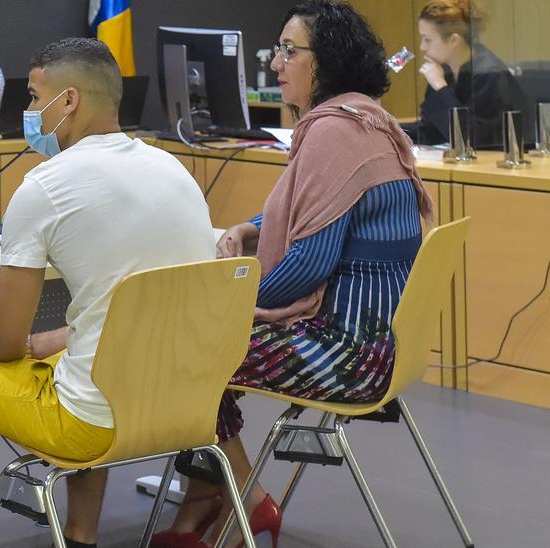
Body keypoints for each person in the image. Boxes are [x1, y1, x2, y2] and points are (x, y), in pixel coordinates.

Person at [0, 38, 217, 548]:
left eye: (33, 96)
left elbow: (1, 345)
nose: (26, 110)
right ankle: (81, 535)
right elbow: (132, 308)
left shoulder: (46, 186)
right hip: (185, 411)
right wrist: (53, 340)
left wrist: (32, 344)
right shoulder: (175, 169)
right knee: (75, 352)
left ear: (68, 102)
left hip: (91, 424)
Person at [152, 2, 434, 547]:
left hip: (345, 354)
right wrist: (254, 228)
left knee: (181, 354)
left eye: (288, 50)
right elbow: (320, 208)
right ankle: (211, 503)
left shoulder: (332, 132)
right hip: (382, 345)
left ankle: (250, 505)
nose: (275, 62)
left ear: (323, 62)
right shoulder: (366, 119)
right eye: (276, 50)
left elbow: (308, 265)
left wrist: (226, 305)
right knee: (198, 347)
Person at [403, 0, 528, 149]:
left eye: (427, 40)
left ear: (454, 40)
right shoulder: (445, 71)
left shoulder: (489, 74)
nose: (422, 47)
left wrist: (440, 87)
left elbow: (472, 137)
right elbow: (432, 130)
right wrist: (389, 128)